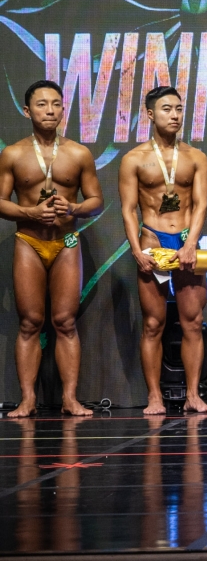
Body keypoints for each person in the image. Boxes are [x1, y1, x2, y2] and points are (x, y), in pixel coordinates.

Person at [0, 80, 103, 417]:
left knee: (65, 322)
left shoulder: (79, 153)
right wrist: (30, 212)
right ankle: (28, 399)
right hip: (29, 242)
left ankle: (70, 399)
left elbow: (96, 201)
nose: (50, 110)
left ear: (63, 110)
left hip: (66, 241)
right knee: (30, 322)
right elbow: (0, 202)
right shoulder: (13, 154)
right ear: (27, 111)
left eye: (56, 104)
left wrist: (73, 208)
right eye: (42, 104)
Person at [119, 86, 207, 415]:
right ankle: (154, 397)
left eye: (178, 109)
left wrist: (190, 244)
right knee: (153, 324)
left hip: (187, 242)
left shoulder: (196, 157)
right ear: (150, 114)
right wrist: (136, 250)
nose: (174, 115)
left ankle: (193, 395)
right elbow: (128, 209)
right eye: (166, 109)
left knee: (193, 322)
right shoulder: (133, 159)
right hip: (153, 242)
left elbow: (201, 205)